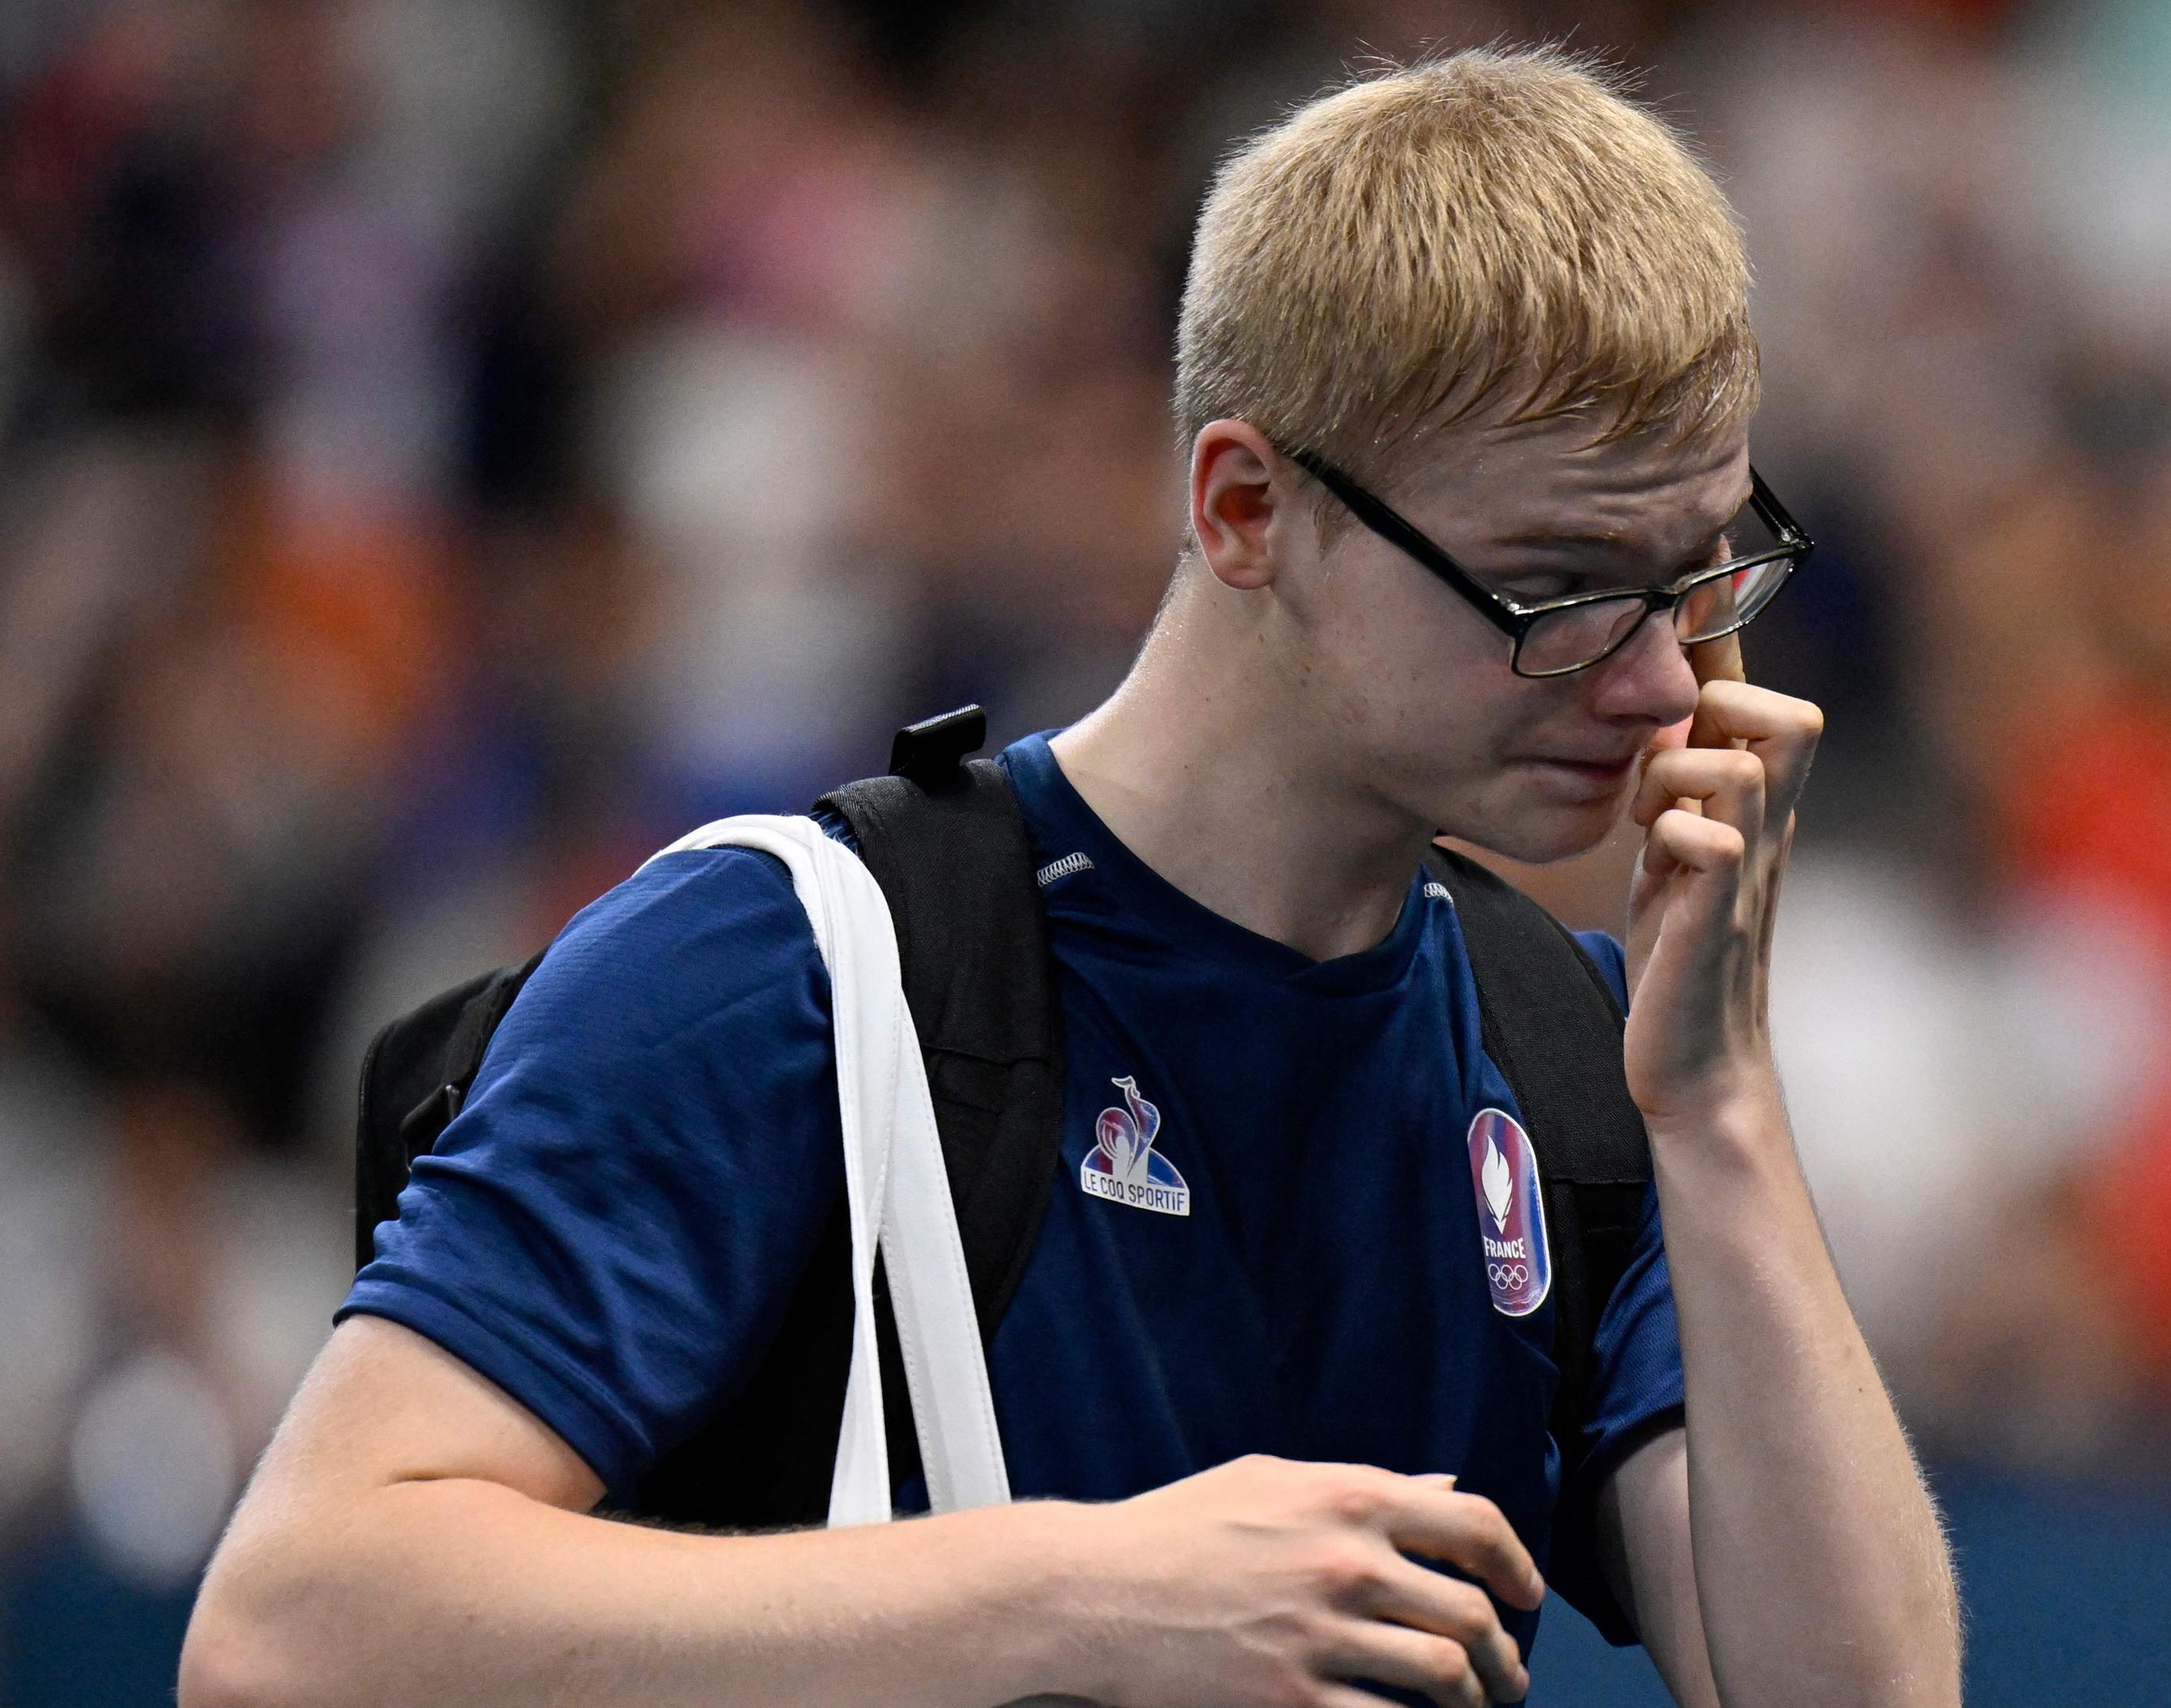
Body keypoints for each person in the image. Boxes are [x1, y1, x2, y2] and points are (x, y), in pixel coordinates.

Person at [181, 47, 1959, 1708]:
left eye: (1702, 569)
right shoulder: (787, 962)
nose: (1660, 680)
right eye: (1562, 583)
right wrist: (1079, 1595)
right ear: (1246, 507)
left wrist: (1720, 1112)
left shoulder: (1568, 1052)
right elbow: (292, 1624)